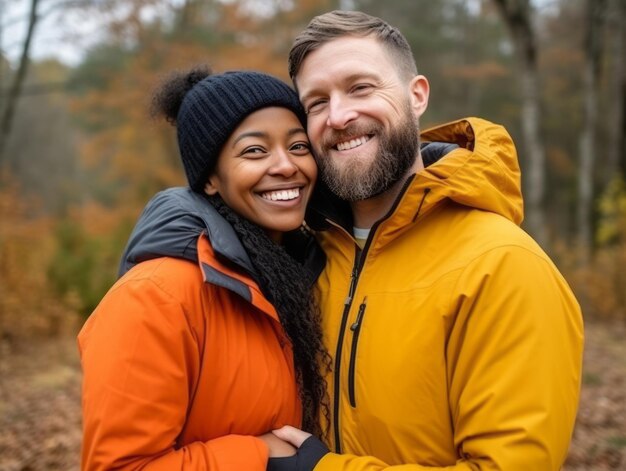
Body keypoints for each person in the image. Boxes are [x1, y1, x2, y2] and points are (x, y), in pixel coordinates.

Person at [270, 10, 585, 471]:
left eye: (360, 88)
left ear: (416, 95)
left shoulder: (502, 266)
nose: (338, 116)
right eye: (316, 102)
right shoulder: (305, 256)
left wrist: (320, 469)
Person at [78, 67, 331, 470]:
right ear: (211, 178)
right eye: (254, 151)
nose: (286, 165)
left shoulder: (298, 280)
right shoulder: (156, 295)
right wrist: (261, 457)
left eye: (299, 146)